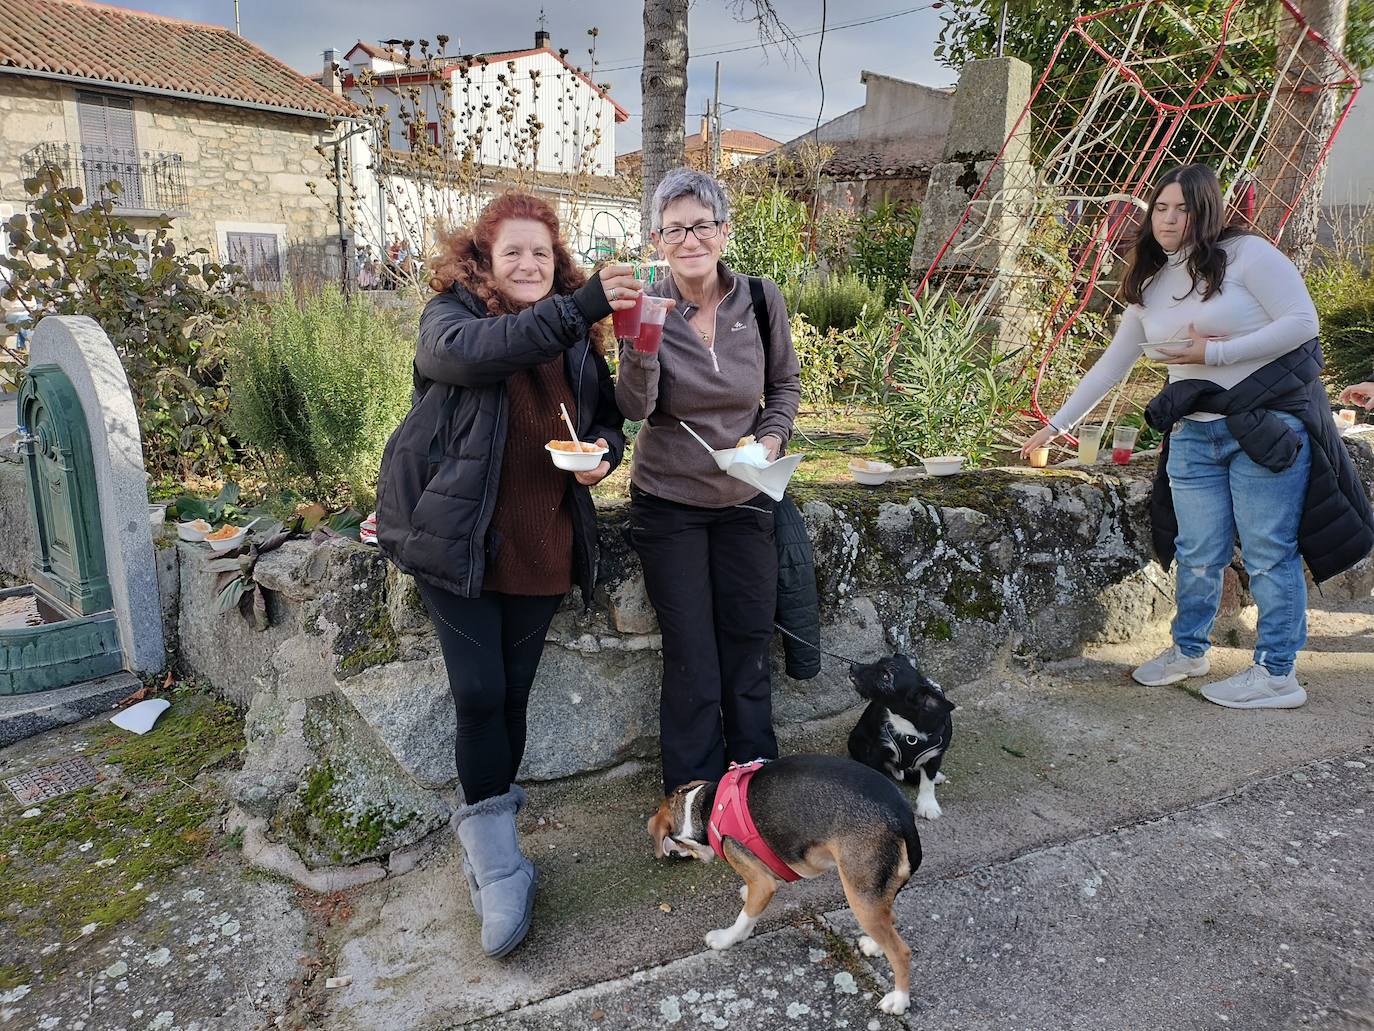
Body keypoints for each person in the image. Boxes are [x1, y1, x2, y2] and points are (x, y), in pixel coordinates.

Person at [374, 192, 629, 957]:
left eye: (541, 255)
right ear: (482, 259)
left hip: (541, 540)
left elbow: (611, 417)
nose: (527, 264)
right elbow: (473, 358)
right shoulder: (451, 318)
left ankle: (494, 844)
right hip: (456, 542)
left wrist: (605, 456)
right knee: (478, 692)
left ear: (558, 265)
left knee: (512, 694)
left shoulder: (578, 341)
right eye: (512, 251)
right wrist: (578, 305)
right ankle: (496, 859)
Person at [1021, 163, 1373, 710]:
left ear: (1205, 209)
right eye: (1160, 207)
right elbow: (1113, 364)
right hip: (1192, 435)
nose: (1168, 218)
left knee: (1267, 553)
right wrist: (1056, 423)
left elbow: (1303, 322)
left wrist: (1213, 353)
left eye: (1182, 208)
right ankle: (1189, 650)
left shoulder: (1249, 256)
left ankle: (1277, 675)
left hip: (1264, 428)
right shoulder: (1152, 279)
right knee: (1199, 552)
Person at [612, 167, 801, 794]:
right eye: (673, 230)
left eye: (701, 225)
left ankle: (755, 789)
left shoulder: (762, 300)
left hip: (747, 495)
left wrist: (769, 441)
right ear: (657, 239)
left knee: (748, 640)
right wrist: (641, 344)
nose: (689, 239)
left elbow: (782, 390)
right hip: (671, 503)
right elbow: (636, 410)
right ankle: (692, 800)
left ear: (723, 230)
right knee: (692, 653)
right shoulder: (650, 305)